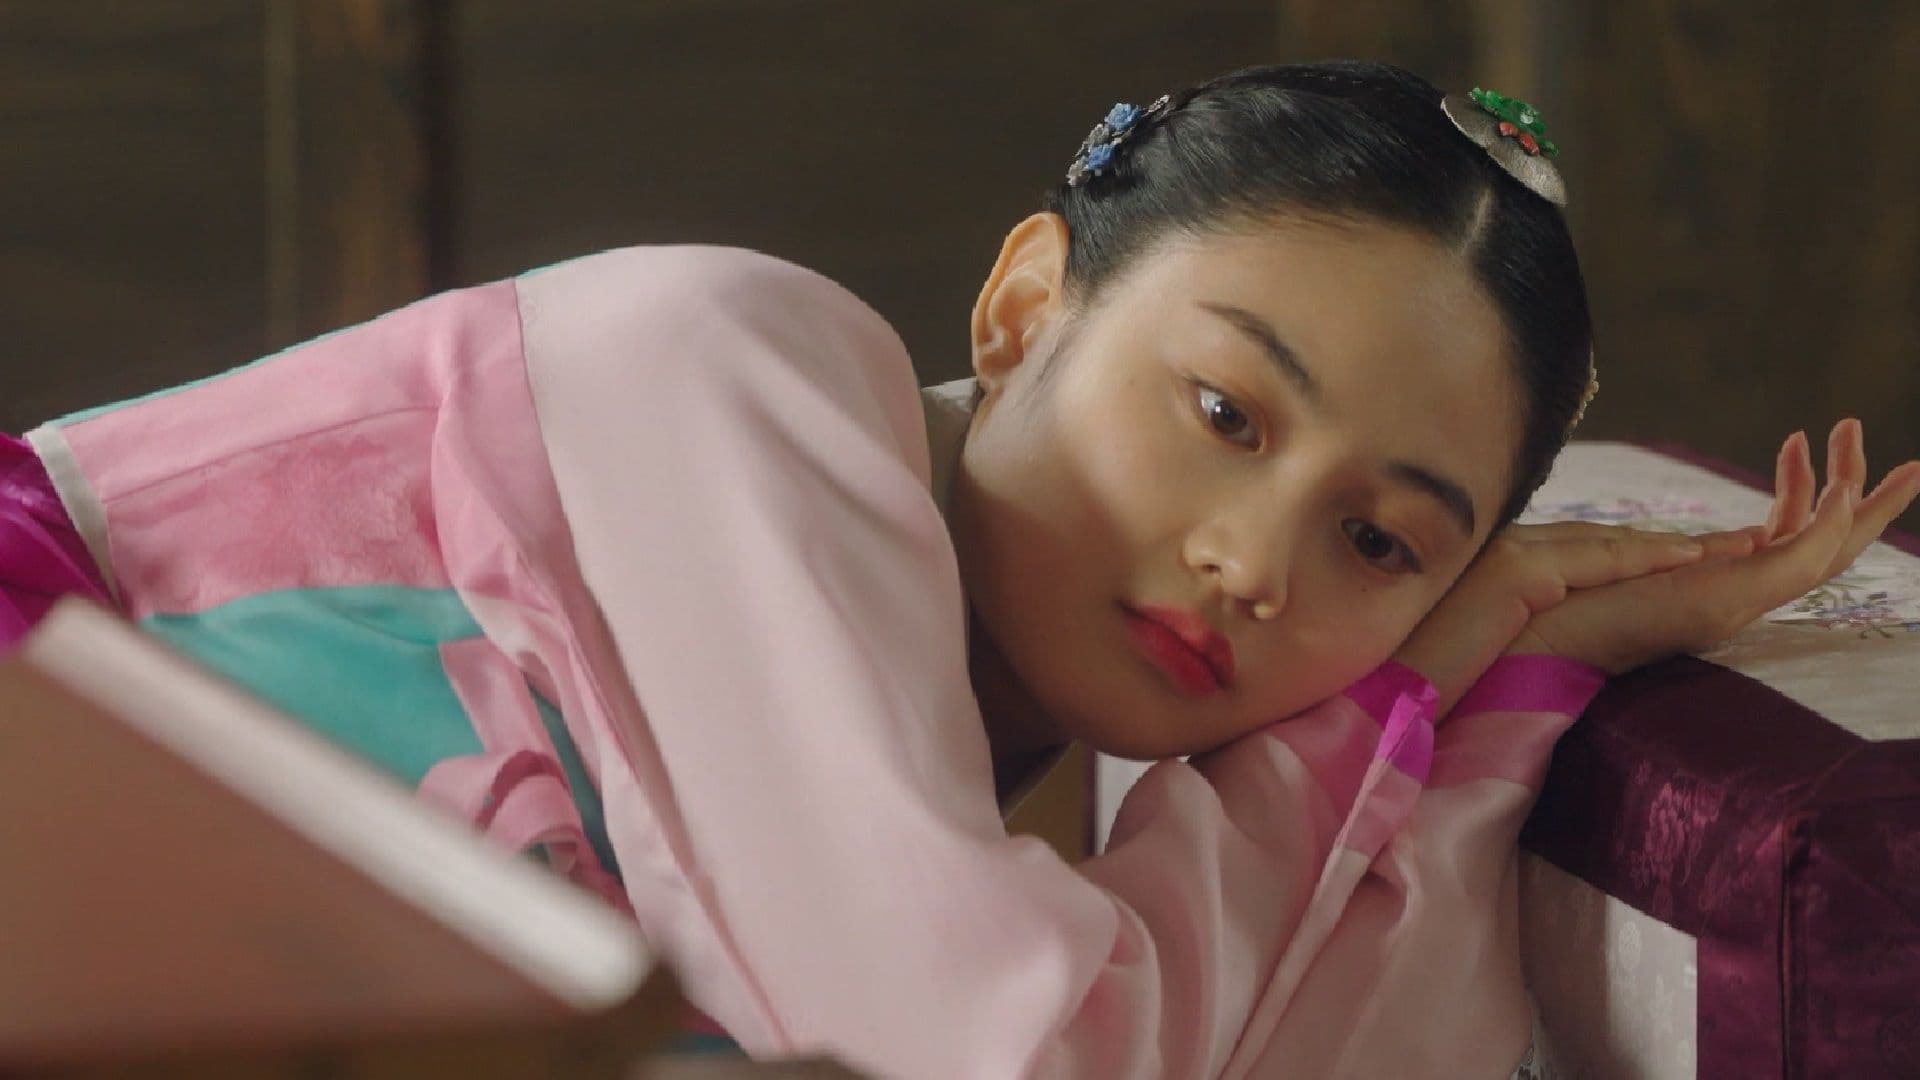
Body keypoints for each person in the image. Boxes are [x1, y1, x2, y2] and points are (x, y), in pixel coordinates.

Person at [2, 60, 1915, 1077]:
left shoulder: (1013, 782)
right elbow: (991, 1064)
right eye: (1225, 411)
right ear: (1020, 308)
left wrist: (1478, 665)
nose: (1249, 561)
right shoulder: (731, 370)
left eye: (1381, 541)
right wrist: (1436, 652)